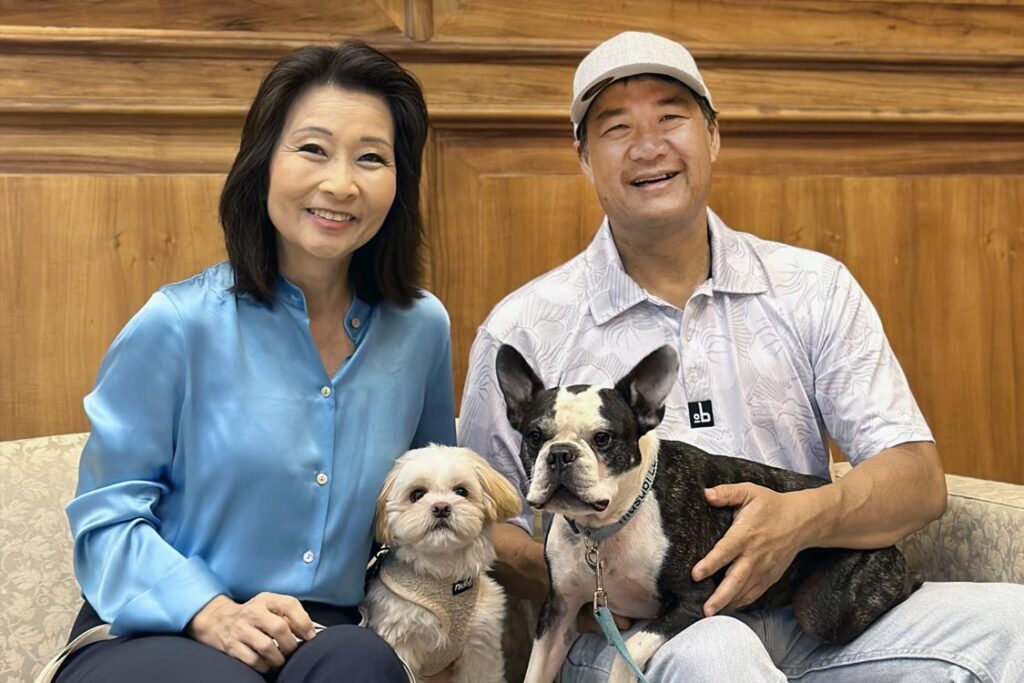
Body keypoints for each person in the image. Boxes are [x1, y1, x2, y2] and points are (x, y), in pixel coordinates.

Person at [459, 31, 1024, 681]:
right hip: (643, 634)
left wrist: (801, 519)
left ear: (713, 137)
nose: (649, 145)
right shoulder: (524, 326)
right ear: (584, 159)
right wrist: (584, 571)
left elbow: (918, 482)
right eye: (616, 127)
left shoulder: (813, 287)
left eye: (671, 116)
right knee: (717, 653)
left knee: (1016, 623)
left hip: (816, 612)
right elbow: (482, 524)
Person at [53, 40, 456, 683]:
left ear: (399, 181)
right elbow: (106, 519)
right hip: (157, 628)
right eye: (312, 149)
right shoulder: (177, 323)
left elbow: (434, 496)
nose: (340, 183)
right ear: (263, 163)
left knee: (364, 662)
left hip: (324, 631)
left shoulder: (421, 329)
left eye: (372, 158)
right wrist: (210, 611)